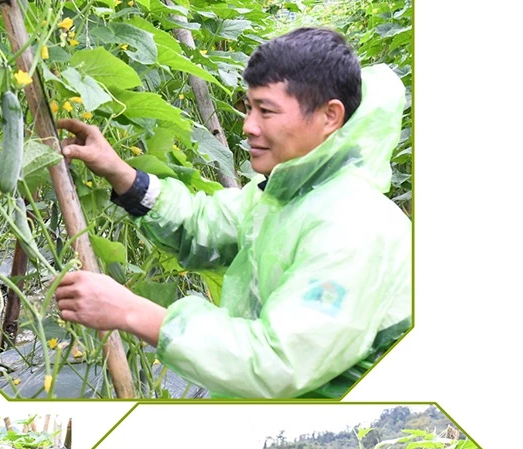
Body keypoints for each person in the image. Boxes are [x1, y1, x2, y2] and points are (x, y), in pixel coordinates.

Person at [54, 28, 410, 399]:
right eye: (249, 107)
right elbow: (203, 225)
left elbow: (277, 363)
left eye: (266, 111)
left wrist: (130, 311)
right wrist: (122, 174)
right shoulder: (293, 195)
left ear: (329, 116)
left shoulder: (355, 228)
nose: (249, 126)